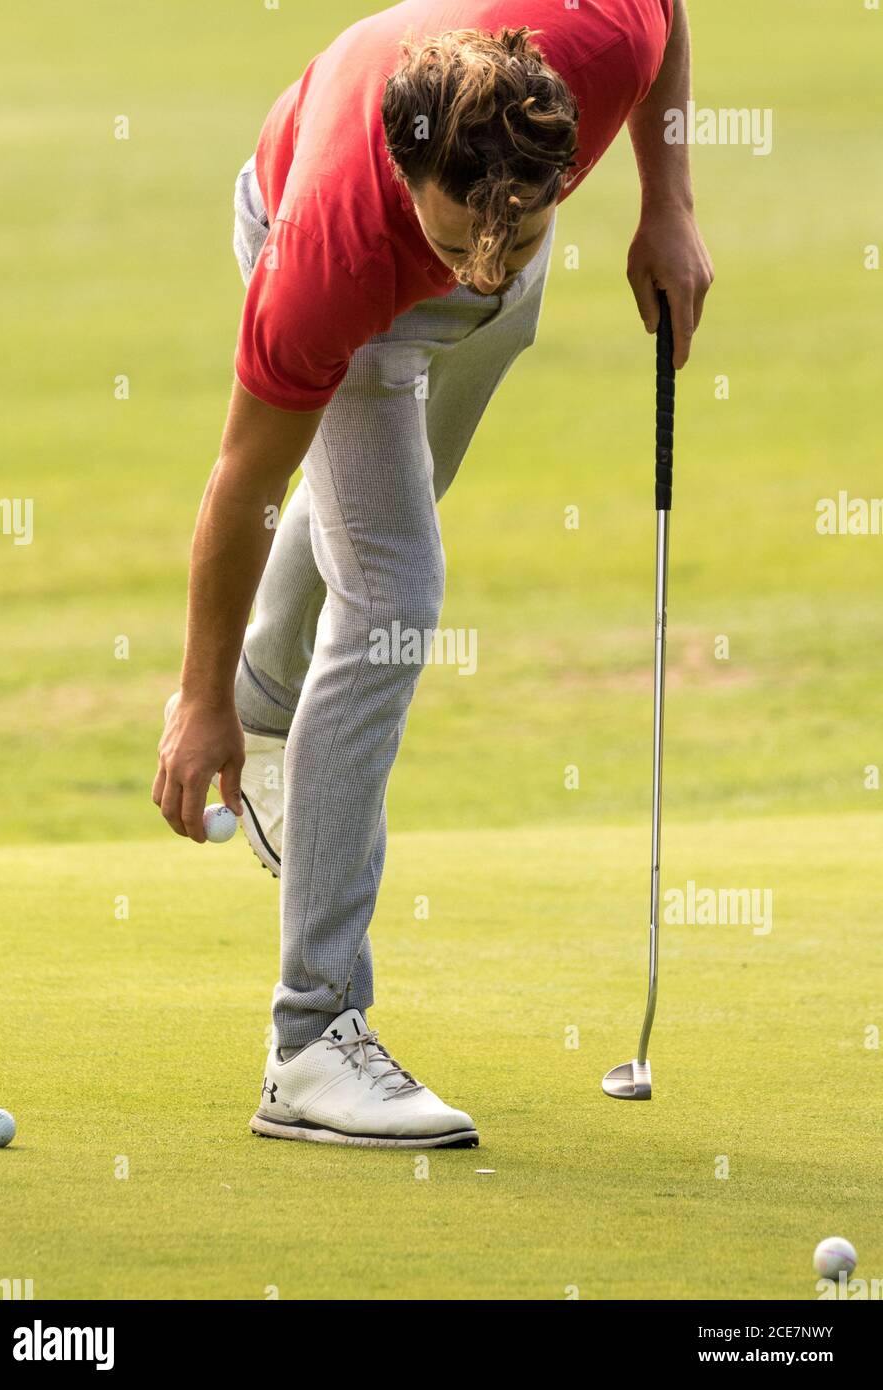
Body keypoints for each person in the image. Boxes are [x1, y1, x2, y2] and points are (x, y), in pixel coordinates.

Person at [153, 0, 713, 1148]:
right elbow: (243, 485)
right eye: (464, 237)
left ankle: (273, 696)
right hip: (335, 254)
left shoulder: (598, 44)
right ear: (414, 172)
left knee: (403, 495)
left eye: (517, 223)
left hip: (474, 223)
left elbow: (666, 16)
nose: (485, 262)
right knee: (395, 595)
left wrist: (668, 206)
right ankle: (310, 1040)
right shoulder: (331, 254)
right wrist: (195, 697)